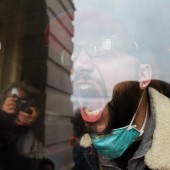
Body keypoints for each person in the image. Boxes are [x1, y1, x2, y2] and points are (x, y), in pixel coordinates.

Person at [46, 1, 170, 169]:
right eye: (73, 55)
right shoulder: (83, 152)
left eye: (99, 46)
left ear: (143, 75)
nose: (78, 65)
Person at [0, 82, 44, 170]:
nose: (19, 107)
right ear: (4, 104)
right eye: (14, 102)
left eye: (23, 102)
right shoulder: (3, 122)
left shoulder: (32, 128)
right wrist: (3, 116)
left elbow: (41, 152)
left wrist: (36, 123)